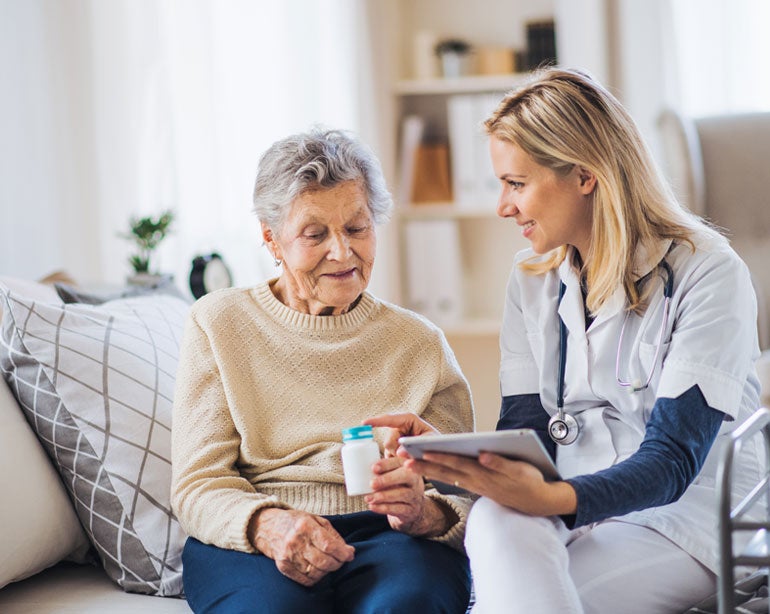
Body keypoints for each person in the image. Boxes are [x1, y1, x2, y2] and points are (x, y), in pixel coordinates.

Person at [366, 67, 764, 613]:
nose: (503, 206)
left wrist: (552, 498)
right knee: (496, 518)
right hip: (572, 507)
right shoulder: (531, 279)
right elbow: (527, 435)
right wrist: (453, 458)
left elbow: (672, 462)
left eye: (516, 184)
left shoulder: (708, 274)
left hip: (683, 518)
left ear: (584, 175)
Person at [170, 127, 475, 613]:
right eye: (315, 235)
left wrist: (426, 513)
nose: (342, 251)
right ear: (271, 239)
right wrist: (267, 525)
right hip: (261, 532)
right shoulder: (218, 323)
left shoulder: (419, 343)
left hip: (390, 533)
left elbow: (464, 492)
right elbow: (198, 484)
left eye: (357, 228)